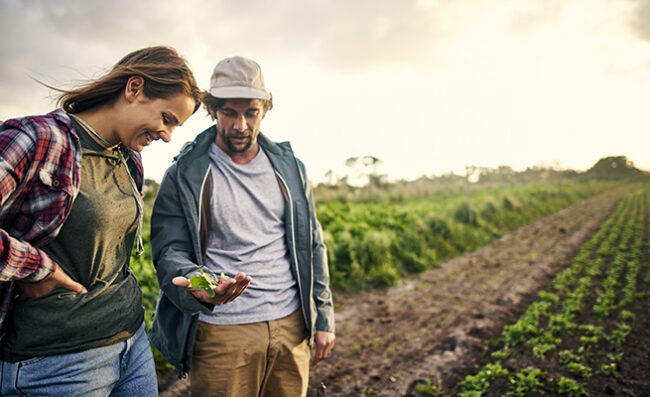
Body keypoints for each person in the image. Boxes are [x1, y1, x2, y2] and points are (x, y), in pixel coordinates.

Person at [0, 46, 202, 396]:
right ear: (134, 88)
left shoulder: (130, 159)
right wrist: (35, 267)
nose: (168, 135)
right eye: (166, 118)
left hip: (131, 344)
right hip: (54, 365)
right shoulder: (37, 138)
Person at [148, 56, 336, 397]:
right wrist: (195, 282)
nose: (241, 125)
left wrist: (322, 318)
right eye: (229, 113)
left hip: (291, 325)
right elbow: (168, 250)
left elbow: (312, 243)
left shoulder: (291, 167)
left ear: (265, 108)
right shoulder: (184, 173)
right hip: (221, 332)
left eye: (251, 112)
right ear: (212, 110)